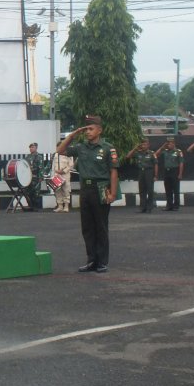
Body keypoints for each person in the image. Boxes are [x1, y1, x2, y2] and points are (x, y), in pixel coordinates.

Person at [58, 115, 119, 274]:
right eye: (86, 129)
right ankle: (91, 260)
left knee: (101, 227)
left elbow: (113, 172)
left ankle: (102, 262)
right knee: (87, 228)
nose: (87, 132)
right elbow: (60, 150)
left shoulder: (107, 148)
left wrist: (112, 193)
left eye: (91, 129)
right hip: (85, 190)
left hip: (101, 189)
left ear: (100, 130)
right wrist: (73, 134)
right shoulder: (81, 147)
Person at [124, 139, 158, 213]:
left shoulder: (152, 153)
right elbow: (128, 156)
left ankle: (149, 207)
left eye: (145, 144)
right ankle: (143, 207)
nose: (143, 146)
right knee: (142, 190)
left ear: (148, 145)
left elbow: (155, 164)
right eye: (142, 144)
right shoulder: (138, 153)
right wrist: (135, 148)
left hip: (149, 171)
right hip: (141, 172)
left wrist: (155, 175)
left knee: (150, 190)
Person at [155, 136, 184, 211]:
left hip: (175, 171)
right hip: (167, 171)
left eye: (170, 143)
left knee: (175, 189)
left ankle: (176, 206)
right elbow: (156, 154)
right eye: (167, 143)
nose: (168, 145)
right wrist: (163, 146)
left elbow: (181, 163)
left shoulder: (178, 151)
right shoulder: (165, 151)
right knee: (168, 189)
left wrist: (180, 173)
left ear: (174, 143)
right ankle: (169, 205)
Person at [51, 141, 74, 212]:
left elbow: (71, 165)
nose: (59, 148)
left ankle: (66, 206)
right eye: (58, 146)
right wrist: (53, 174)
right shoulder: (55, 155)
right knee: (57, 191)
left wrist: (63, 171)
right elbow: (53, 166)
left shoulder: (68, 154)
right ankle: (60, 206)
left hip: (65, 174)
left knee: (66, 190)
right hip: (56, 175)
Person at [23, 142, 46, 210]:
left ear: (36, 148)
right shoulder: (28, 157)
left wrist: (41, 177)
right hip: (29, 177)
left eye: (32, 147)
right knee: (28, 191)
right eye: (30, 147)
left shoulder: (39, 156)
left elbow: (41, 167)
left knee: (36, 192)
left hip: (36, 177)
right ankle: (30, 205)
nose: (31, 149)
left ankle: (36, 206)